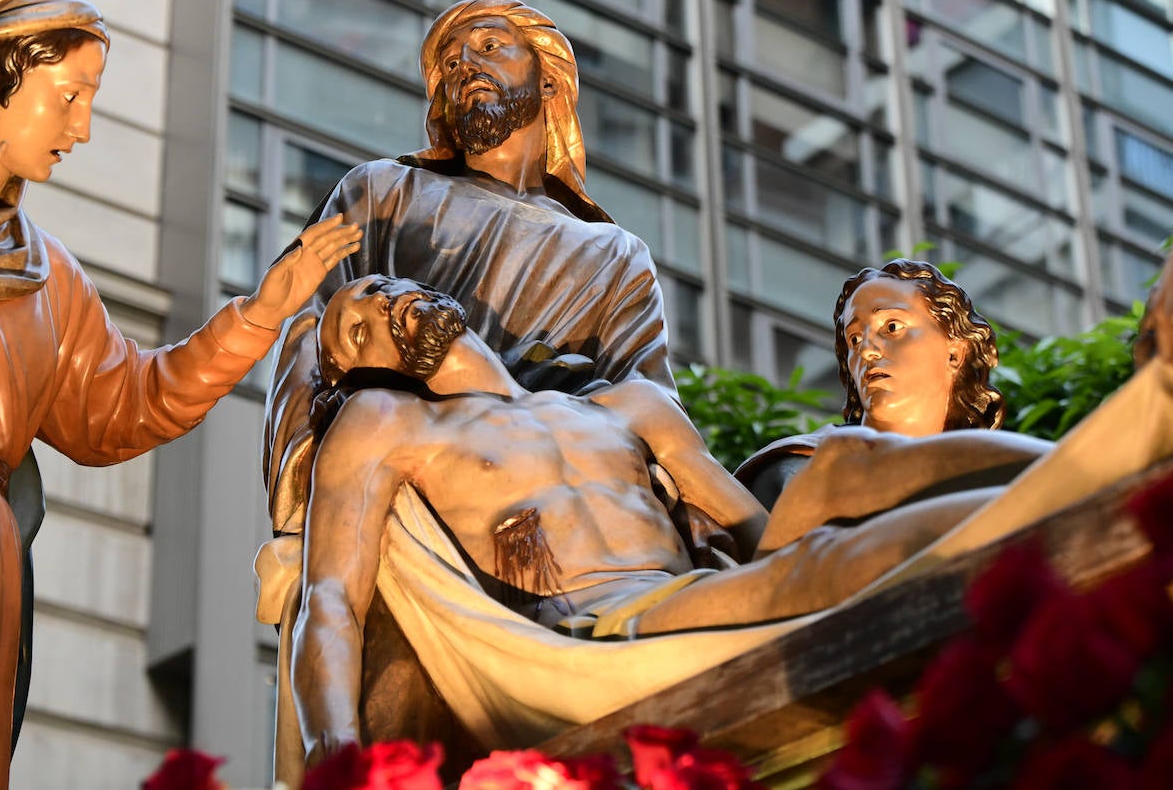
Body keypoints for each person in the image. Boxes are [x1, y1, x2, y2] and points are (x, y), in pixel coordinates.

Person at [0, 0, 360, 789]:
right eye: (68, 96)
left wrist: (259, 316)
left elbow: (123, 405)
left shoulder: (45, 273)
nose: (83, 127)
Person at [291, 275, 1096, 766]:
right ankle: (1087, 493)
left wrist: (802, 530)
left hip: (704, 594)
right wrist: (335, 753)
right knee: (817, 546)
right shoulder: (390, 423)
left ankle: (1086, 472)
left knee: (840, 461)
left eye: (373, 293)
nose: (374, 310)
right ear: (364, 370)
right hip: (597, 634)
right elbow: (329, 600)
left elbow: (751, 529)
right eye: (354, 334)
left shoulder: (628, 404)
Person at [263, 0, 674, 537]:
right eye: (451, 65)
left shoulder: (615, 254)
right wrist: (308, 483)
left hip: (553, 497)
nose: (467, 67)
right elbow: (310, 332)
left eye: (489, 47)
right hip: (396, 473)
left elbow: (650, 411)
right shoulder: (382, 192)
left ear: (548, 81)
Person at [735, 260, 1051, 519]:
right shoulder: (798, 468)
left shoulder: (993, 476)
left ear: (955, 352)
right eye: (854, 339)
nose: (867, 351)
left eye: (892, 327)